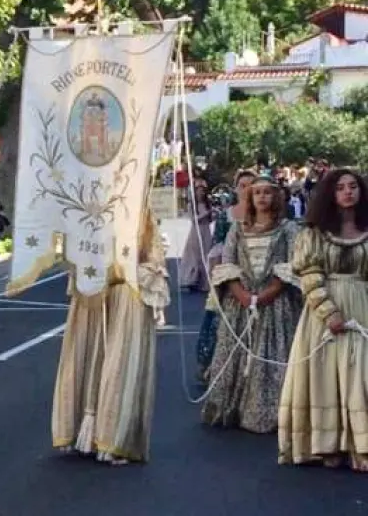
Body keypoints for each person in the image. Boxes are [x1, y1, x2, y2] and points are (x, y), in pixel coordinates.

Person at [52, 208, 169, 464]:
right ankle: (85, 431)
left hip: (128, 288)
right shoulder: (87, 208)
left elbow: (152, 253)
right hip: (93, 289)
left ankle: (114, 435)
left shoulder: (140, 211)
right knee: (87, 358)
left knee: (121, 362)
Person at [279, 169, 368, 471]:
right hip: (324, 314)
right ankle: (326, 444)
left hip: (362, 307)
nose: (348, 192)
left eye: (353, 186)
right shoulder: (313, 234)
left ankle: (361, 445)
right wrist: (329, 311)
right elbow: (310, 276)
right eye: (341, 187)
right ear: (330, 194)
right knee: (325, 377)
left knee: (361, 377)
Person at [201, 176, 301, 434]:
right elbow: (227, 264)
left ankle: (269, 412)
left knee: (272, 355)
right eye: (257, 193)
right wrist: (243, 295)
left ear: (276, 197)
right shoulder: (237, 228)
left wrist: (268, 293)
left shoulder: (288, 229)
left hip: (276, 303)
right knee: (236, 353)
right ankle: (230, 408)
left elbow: (293, 265)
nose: (262, 197)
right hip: (241, 301)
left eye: (268, 192)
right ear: (250, 198)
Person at [197, 169, 256, 381]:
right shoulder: (228, 215)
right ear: (236, 189)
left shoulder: (267, 215)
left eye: (252, 185)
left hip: (258, 276)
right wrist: (216, 277)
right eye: (243, 185)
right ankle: (214, 367)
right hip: (232, 276)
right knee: (219, 322)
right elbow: (217, 248)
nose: (247, 189)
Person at [179, 180, 213, 292]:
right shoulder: (192, 205)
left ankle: (203, 282)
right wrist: (204, 214)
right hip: (195, 231)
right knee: (194, 255)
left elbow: (210, 219)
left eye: (203, 191)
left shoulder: (207, 204)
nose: (201, 193)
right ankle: (190, 280)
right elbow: (193, 220)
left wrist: (211, 214)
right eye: (199, 191)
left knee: (206, 253)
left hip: (205, 230)